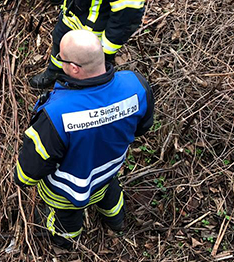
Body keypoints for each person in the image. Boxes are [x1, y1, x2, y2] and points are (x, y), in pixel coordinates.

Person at [14, 30, 154, 249]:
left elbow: (28, 171)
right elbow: (143, 127)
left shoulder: (56, 115)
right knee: (110, 193)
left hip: (68, 190)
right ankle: (116, 221)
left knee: (67, 219)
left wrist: (21, 179)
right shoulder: (137, 85)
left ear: (74, 68)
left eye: (61, 59)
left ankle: (65, 242)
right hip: (109, 171)